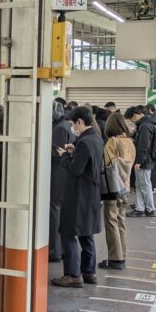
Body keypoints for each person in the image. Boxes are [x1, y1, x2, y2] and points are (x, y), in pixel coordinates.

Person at [51, 106, 103, 288]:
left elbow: (75, 169)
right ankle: (89, 272)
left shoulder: (85, 142)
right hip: (92, 195)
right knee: (86, 234)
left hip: (78, 196)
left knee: (67, 233)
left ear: (81, 121)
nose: (73, 127)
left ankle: (73, 274)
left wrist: (65, 155)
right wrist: (74, 152)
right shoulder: (96, 138)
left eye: (74, 124)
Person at [100, 112, 136, 270]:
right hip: (125, 187)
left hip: (113, 187)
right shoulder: (130, 142)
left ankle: (115, 258)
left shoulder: (112, 142)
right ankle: (122, 255)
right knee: (120, 221)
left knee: (111, 221)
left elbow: (106, 164)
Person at [49, 99, 72, 262]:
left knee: (54, 210)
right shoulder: (65, 126)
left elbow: (56, 153)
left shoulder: (59, 129)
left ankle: (54, 249)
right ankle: (60, 248)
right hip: (63, 174)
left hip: (57, 173)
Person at [130, 105, 156, 216]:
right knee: (140, 185)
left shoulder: (145, 126)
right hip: (146, 159)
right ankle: (140, 208)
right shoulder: (147, 123)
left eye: (131, 119)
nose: (132, 121)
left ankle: (150, 209)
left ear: (135, 116)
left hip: (144, 161)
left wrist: (139, 161)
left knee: (145, 185)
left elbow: (144, 146)